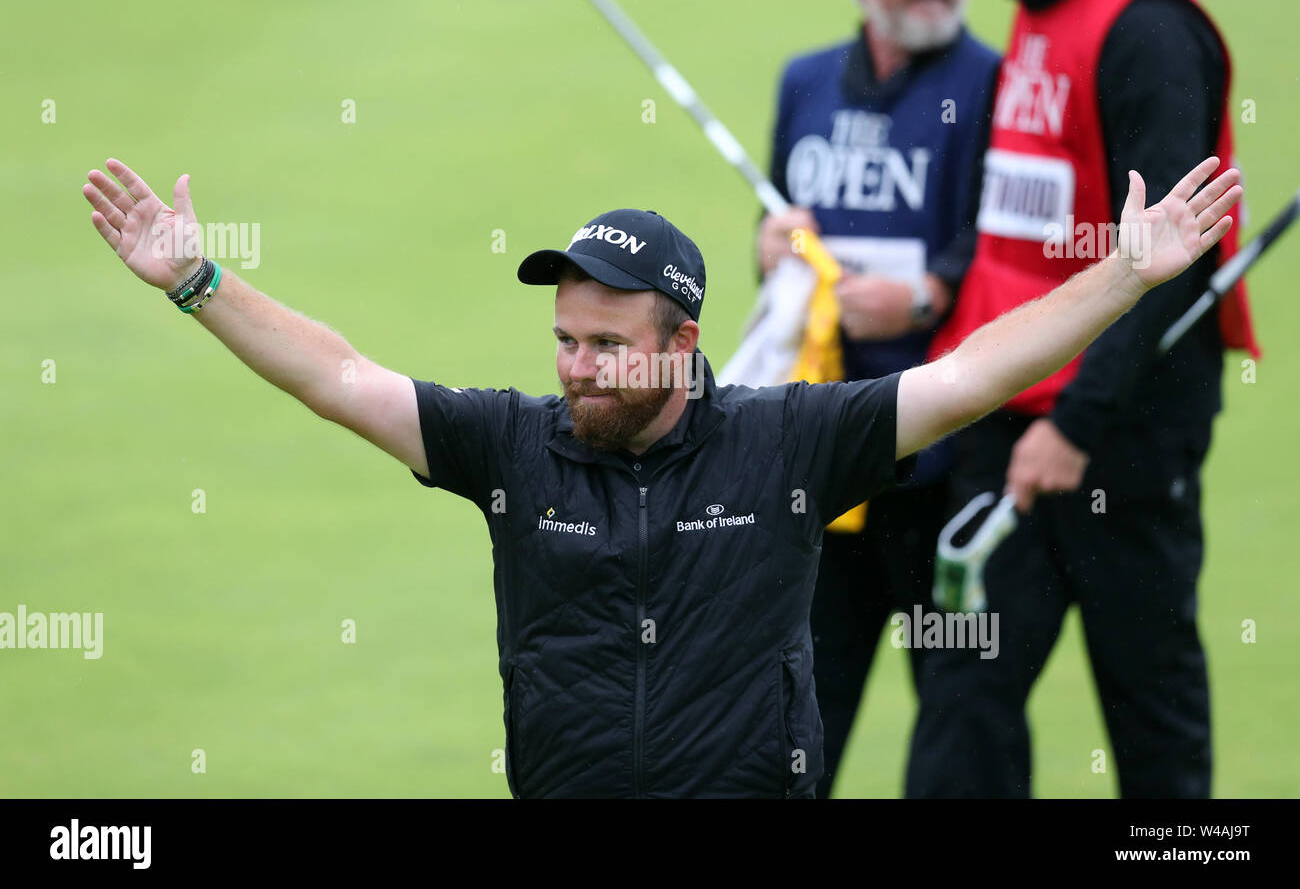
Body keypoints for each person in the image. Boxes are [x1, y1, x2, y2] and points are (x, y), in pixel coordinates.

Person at [83, 152, 1240, 798]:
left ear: (683, 343)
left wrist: (1122, 280)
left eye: (604, 343)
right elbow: (339, 378)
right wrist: (199, 284)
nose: (574, 367)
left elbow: (970, 376)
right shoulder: (510, 447)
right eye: (563, 338)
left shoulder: (786, 441)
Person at [905, 0, 1259, 798]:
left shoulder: (1149, 26)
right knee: (961, 694)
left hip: (1120, 436)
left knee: (1150, 704)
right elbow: (1008, 207)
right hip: (1003, 410)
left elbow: (1166, 261)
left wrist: (1075, 424)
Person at [752, 0, 999, 797]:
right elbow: (779, 224)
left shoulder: (993, 84)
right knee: (794, 718)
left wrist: (926, 297)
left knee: (965, 725)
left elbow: (1006, 249)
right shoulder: (805, 82)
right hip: (823, 468)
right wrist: (770, 248)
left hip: (948, 468)